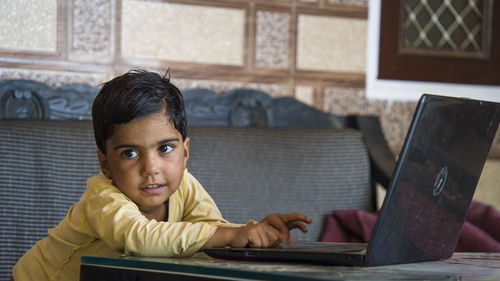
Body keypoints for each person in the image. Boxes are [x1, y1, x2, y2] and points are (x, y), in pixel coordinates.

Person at [11, 69, 311, 281]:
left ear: (185, 152)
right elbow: (138, 238)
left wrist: (254, 232)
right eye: (130, 153)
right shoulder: (102, 197)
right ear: (105, 164)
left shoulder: (186, 186)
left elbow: (210, 231)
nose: (151, 167)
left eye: (165, 148)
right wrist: (231, 235)